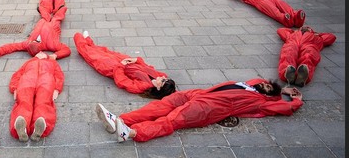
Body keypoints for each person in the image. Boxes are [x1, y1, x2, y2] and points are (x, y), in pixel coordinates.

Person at [96, 78, 302, 143]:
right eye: (266, 84)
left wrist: (295, 101)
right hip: (198, 94)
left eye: (267, 89)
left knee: (171, 120)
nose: (263, 86)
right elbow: (259, 81)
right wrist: (281, 88)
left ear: (267, 95)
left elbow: (281, 106)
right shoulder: (250, 85)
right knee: (162, 105)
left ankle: (131, 132)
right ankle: (120, 119)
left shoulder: (257, 101)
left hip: (208, 108)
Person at [74, 31, 175, 97]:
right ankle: (88, 41)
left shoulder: (142, 86)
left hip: (113, 67)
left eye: (162, 81)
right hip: (125, 61)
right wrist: (136, 60)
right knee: (104, 51)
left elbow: (121, 80)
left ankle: (81, 40)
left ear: (158, 88)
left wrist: (120, 65)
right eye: (165, 79)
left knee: (91, 55)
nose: (162, 77)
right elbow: (146, 67)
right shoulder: (159, 75)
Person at [10, 51, 64, 142]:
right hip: (27, 81)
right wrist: (14, 88)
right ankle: (21, 126)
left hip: (46, 81)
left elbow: (59, 75)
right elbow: (17, 74)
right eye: (38, 52)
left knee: (43, 102)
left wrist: (57, 89)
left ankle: (40, 126)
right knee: (24, 101)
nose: (40, 52)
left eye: (43, 52)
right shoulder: (29, 62)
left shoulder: (52, 62)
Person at [233, 0, 305, 28]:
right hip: (262, 2)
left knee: (282, 4)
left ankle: (296, 17)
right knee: (274, 11)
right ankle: (285, 20)